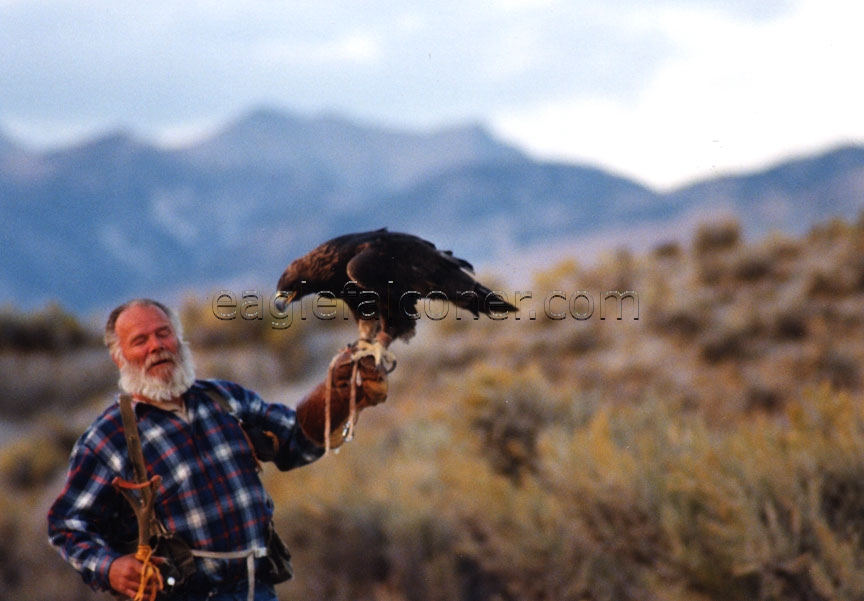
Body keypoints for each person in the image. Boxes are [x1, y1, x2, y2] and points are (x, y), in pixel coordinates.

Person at [48, 298, 388, 601]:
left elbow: (296, 441)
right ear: (118, 357)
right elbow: (67, 524)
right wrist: (110, 567)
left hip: (259, 588)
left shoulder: (225, 398)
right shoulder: (109, 438)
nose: (157, 346)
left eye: (163, 333)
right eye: (140, 341)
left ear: (179, 339)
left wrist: (340, 398)